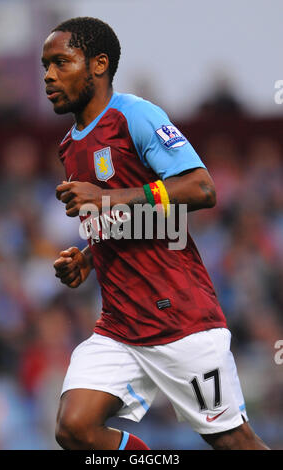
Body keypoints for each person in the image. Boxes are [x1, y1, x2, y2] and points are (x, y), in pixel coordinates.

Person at [41, 17, 269, 450]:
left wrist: (106, 200)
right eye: (45, 66)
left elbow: (202, 188)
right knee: (74, 427)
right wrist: (88, 257)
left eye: (61, 62)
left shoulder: (135, 115)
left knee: (233, 441)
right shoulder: (69, 145)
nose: (49, 76)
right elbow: (131, 217)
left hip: (180, 320)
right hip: (120, 327)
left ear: (98, 64)